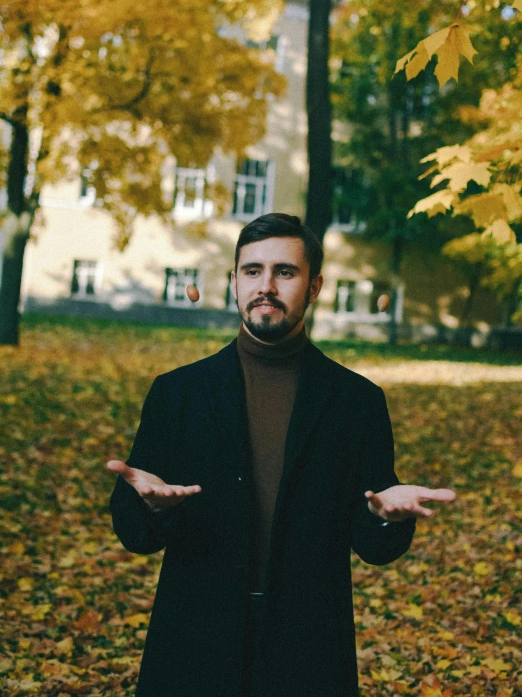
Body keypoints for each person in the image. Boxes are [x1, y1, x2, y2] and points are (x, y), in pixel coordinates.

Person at [108, 213, 456, 697]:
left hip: (307, 650)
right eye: (252, 271)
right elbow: (134, 533)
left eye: (284, 272)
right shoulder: (177, 394)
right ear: (233, 282)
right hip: (194, 643)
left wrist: (385, 518)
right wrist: (148, 506)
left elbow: (374, 547)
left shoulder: (356, 402)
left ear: (314, 287)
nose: (265, 286)